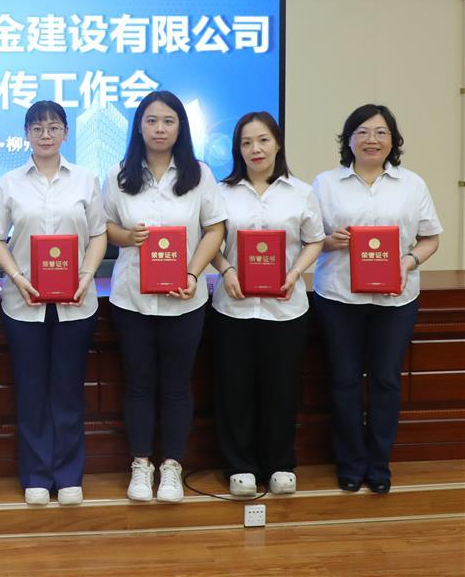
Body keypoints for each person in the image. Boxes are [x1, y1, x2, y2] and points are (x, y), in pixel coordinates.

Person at [103, 90, 226, 503]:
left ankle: (172, 465)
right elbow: (104, 227)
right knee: (138, 384)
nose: (159, 128)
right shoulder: (119, 174)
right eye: (152, 120)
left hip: (185, 298)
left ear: (180, 128)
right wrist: (127, 236)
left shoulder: (199, 174)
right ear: (139, 126)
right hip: (132, 298)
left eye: (168, 121)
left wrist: (193, 274)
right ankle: (141, 464)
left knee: (176, 385)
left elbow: (215, 229)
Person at [312, 104, 441, 494]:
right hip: (339, 297)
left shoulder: (412, 184)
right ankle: (351, 464)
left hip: (396, 300)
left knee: (386, 380)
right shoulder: (325, 184)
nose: (372, 139)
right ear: (349, 139)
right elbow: (306, 240)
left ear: (393, 140)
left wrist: (407, 261)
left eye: (381, 132)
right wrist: (329, 241)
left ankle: (379, 465)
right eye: (363, 132)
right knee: (345, 380)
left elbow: (430, 238)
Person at [0, 101, 107, 506]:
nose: (45, 134)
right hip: (24, 303)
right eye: (37, 127)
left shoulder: (86, 180)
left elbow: (98, 234)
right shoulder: (9, 182)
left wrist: (87, 275)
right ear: (26, 133)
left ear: (66, 133)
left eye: (53, 127)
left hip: (77, 301)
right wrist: (17, 277)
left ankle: (69, 475)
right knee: (32, 390)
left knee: (68, 390)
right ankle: (37, 475)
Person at [209, 112, 324, 497]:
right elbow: (210, 241)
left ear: (277, 143)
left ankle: (280, 464)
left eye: (262, 140)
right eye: (246, 142)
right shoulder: (221, 192)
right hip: (234, 306)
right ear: (237, 149)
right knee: (234, 388)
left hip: (286, 307)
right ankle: (239, 465)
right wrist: (226, 270)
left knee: (281, 387)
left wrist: (295, 273)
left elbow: (315, 240)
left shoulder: (301, 192)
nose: (254, 149)